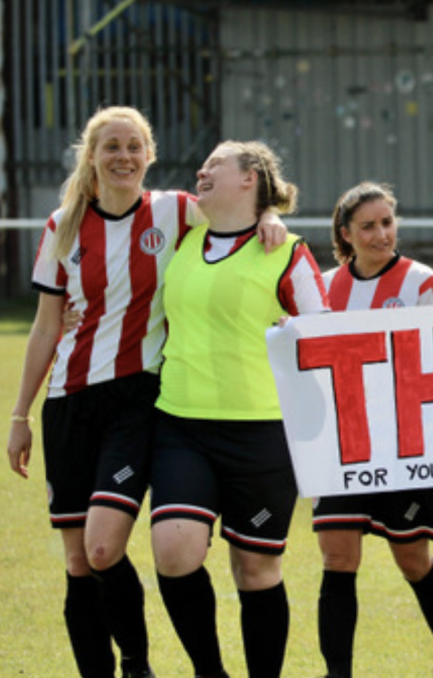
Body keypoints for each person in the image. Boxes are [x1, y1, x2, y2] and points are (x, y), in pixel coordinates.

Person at [5, 106, 284, 678]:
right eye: (111, 146)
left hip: (139, 403)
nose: (123, 156)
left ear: (149, 155)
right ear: (92, 156)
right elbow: (45, 326)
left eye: (134, 146)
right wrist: (20, 414)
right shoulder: (62, 224)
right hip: (68, 401)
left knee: (104, 547)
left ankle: (136, 662)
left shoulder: (177, 211)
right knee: (80, 562)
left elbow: (237, 212)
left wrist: (270, 219)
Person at [148, 140, 327, 678]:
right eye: (201, 165)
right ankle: (210, 672)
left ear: (251, 178)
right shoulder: (181, 233)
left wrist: (270, 216)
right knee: (174, 554)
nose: (200, 170)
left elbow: (324, 338)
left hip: (263, 434)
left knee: (256, 569)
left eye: (216, 164)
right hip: (181, 424)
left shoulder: (288, 252)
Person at [314, 181, 433, 678]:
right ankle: (338, 673)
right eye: (368, 226)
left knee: (412, 559)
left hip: (405, 445)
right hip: (340, 446)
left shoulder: (421, 284)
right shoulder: (324, 287)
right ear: (346, 234)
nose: (381, 234)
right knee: (338, 557)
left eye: (387, 222)